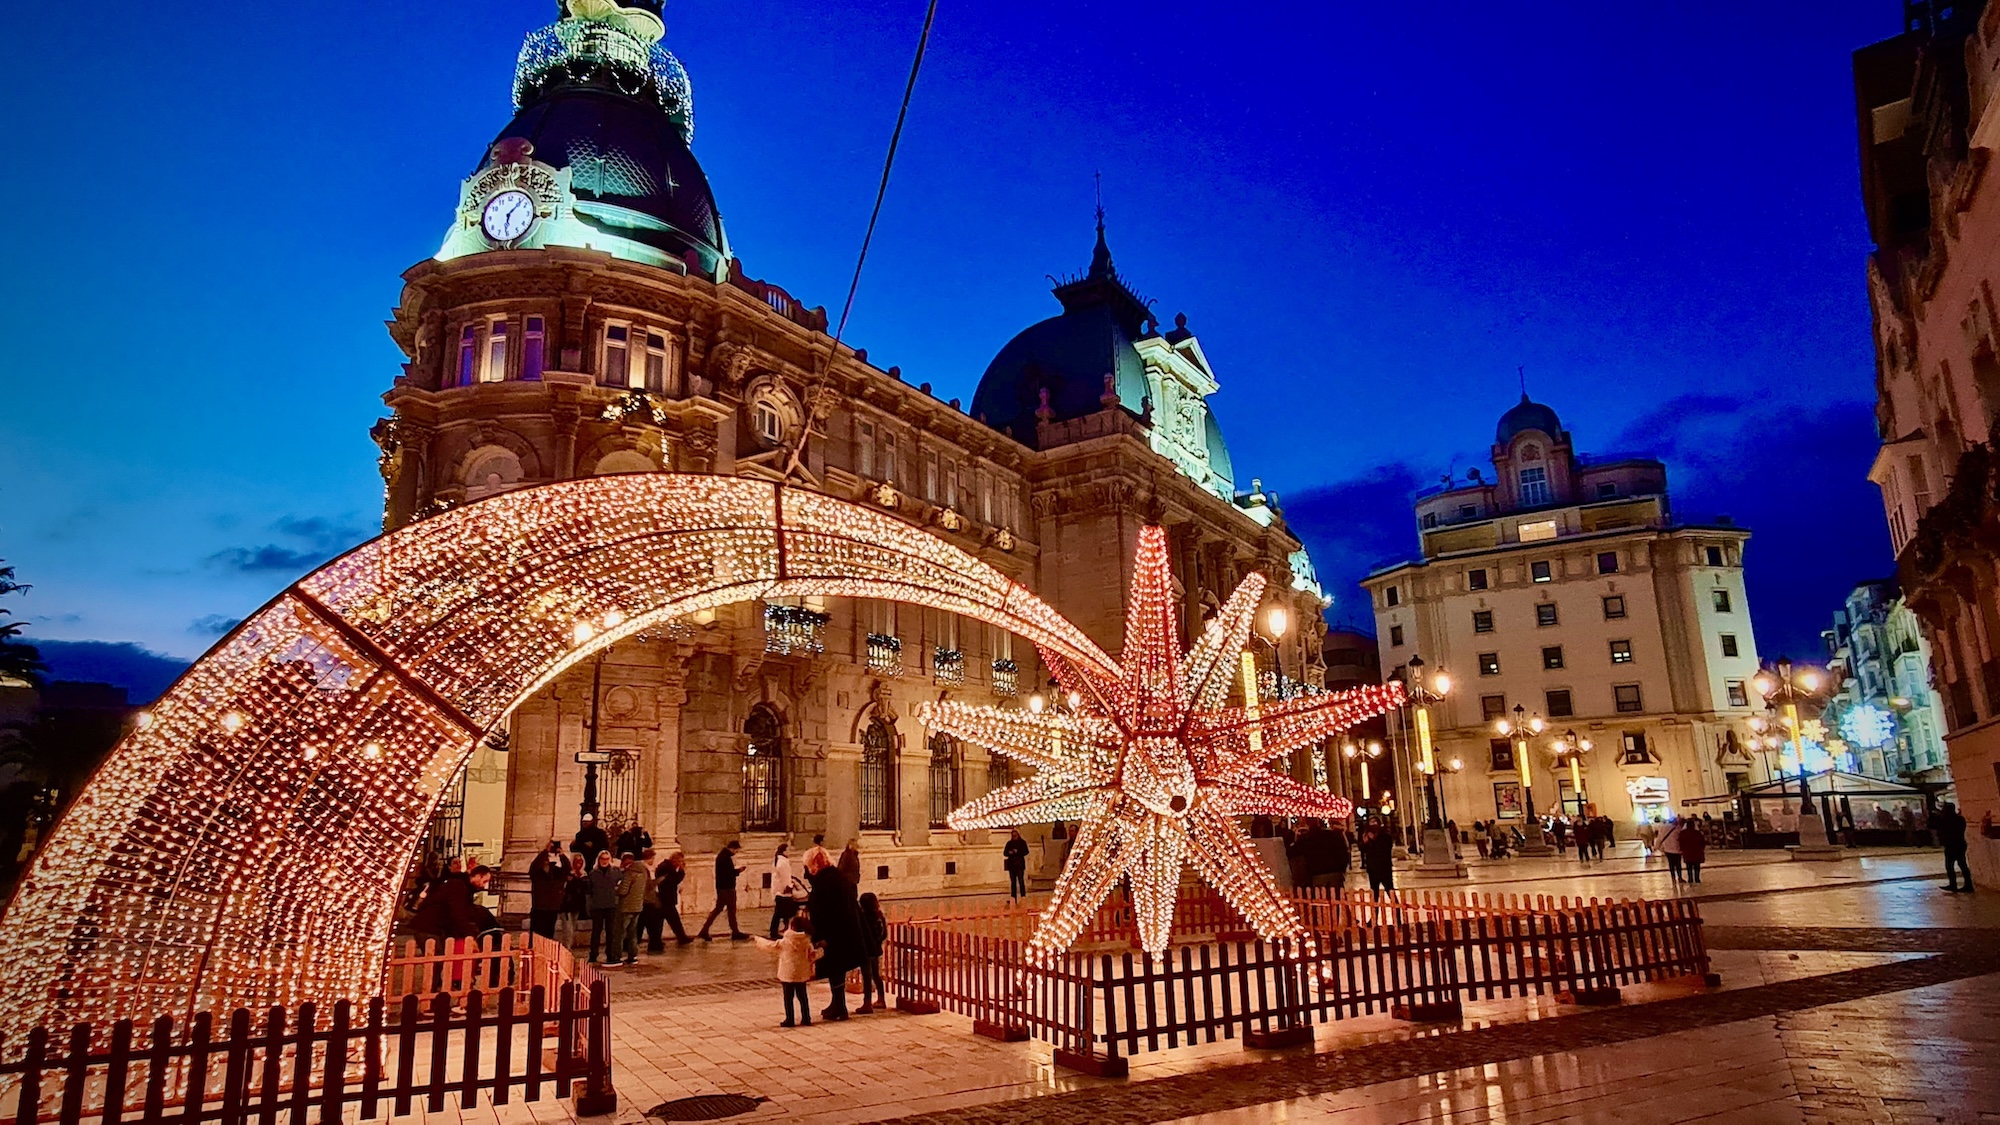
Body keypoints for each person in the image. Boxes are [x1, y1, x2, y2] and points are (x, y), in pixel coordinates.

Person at [806, 851, 862, 1020]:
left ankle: (840, 1006)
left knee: (836, 968)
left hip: (834, 933)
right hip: (840, 931)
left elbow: (823, 910)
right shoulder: (835, 876)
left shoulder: (827, 880)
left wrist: (820, 935)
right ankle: (836, 1003)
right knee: (836, 970)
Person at [753, 915, 820, 1028]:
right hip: (801, 974)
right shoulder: (807, 942)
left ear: (791, 927)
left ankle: (790, 1019)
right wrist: (821, 950)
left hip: (787, 974)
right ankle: (806, 1017)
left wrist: (758, 939)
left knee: (788, 998)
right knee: (803, 997)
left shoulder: (785, 942)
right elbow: (812, 956)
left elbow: (770, 945)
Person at [410, 864, 500, 939]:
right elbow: (458, 912)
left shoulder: (463, 887)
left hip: (433, 927)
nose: (484, 886)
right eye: (484, 881)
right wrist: (468, 935)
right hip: (430, 926)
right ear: (477, 876)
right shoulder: (459, 886)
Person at [698, 840, 751, 940]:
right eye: (736, 850)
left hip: (723, 888)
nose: (736, 852)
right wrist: (738, 871)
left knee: (724, 910)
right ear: (732, 848)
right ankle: (706, 930)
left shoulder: (723, 856)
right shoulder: (725, 858)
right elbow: (728, 874)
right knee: (728, 910)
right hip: (727, 888)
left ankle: (707, 930)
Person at [609, 852, 647, 966]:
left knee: (619, 933)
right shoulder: (643, 872)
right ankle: (632, 956)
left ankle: (616, 957)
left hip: (626, 907)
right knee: (632, 933)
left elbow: (623, 890)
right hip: (637, 907)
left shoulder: (629, 873)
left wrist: (616, 889)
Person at [586, 852, 622, 963]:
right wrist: (589, 906)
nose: (604, 861)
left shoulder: (616, 872)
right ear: (599, 859)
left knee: (611, 932)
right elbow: (589, 892)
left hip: (611, 906)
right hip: (597, 906)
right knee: (596, 932)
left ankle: (610, 954)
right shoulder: (593, 874)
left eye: (606, 858)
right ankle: (593, 954)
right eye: (602, 858)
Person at [527, 841, 568, 939]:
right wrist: (545, 851)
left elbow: (567, 869)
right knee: (536, 935)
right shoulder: (537, 874)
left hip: (552, 908)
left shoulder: (556, 873)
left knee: (549, 935)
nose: (545, 862)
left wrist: (562, 855)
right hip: (539, 908)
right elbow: (534, 866)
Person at [856, 891, 888, 1013]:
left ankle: (867, 1002)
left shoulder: (863, 917)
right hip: (876, 950)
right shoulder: (879, 916)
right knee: (876, 975)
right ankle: (881, 999)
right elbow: (884, 934)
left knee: (867, 976)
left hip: (866, 951)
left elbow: (862, 934)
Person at [1936, 801, 1973, 892]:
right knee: (1962, 864)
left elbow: (1937, 826)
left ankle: (1953, 884)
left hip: (1951, 844)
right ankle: (1968, 884)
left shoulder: (1945, 820)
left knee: (1949, 865)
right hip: (1960, 843)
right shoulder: (1960, 819)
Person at [656, 851, 691, 944]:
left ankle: (681, 937)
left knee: (664, 920)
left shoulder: (667, 867)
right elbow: (673, 880)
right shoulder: (666, 868)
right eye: (680, 861)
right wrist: (681, 872)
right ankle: (681, 937)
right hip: (665, 898)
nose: (680, 863)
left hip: (666, 898)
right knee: (671, 920)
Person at [770, 842, 803, 939]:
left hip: (779, 891)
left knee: (779, 913)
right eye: (788, 850)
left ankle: (776, 930)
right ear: (784, 851)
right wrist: (789, 886)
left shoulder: (779, 861)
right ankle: (778, 931)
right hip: (783, 892)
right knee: (784, 912)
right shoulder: (783, 863)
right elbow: (785, 877)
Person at [559, 853, 589, 948]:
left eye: (580, 860)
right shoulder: (568, 874)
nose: (578, 863)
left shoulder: (584, 875)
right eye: (576, 860)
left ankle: (569, 946)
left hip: (577, 905)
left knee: (573, 927)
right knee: (568, 929)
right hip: (566, 905)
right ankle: (567, 948)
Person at [1360, 820, 1396, 897]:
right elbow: (1364, 851)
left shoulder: (1385, 836)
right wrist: (1365, 842)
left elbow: (1384, 849)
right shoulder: (1367, 836)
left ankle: (1395, 904)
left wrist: (1373, 840)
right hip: (1373, 869)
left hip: (1384, 868)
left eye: (1375, 822)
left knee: (1389, 889)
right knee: (1374, 892)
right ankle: (1375, 905)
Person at [1003, 830, 1030, 898]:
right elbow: (1005, 853)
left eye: (1015, 835)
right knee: (1013, 882)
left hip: (1019, 865)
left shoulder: (1022, 843)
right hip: (1012, 866)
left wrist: (1018, 852)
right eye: (1013, 836)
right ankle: (1013, 897)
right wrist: (1010, 852)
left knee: (1021, 881)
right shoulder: (1009, 843)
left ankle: (1023, 896)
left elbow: (1026, 851)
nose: (1014, 837)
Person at [1658, 817, 1687, 885]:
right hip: (1676, 849)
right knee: (1678, 864)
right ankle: (1679, 877)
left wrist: (1657, 846)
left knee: (1671, 864)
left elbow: (1660, 837)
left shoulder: (1663, 827)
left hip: (1667, 849)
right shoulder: (1678, 829)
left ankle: (1673, 877)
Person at [1681, 819, 1707, 885]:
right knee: (1697, 867)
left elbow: (1681, 843)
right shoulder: (1698, 833)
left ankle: (1690, 879)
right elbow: (1703, 843)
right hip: (1697, 852)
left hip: (1687, 853)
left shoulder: (1683, 833)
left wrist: (1682, 850)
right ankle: (1697, 878)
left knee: (1689, 867)